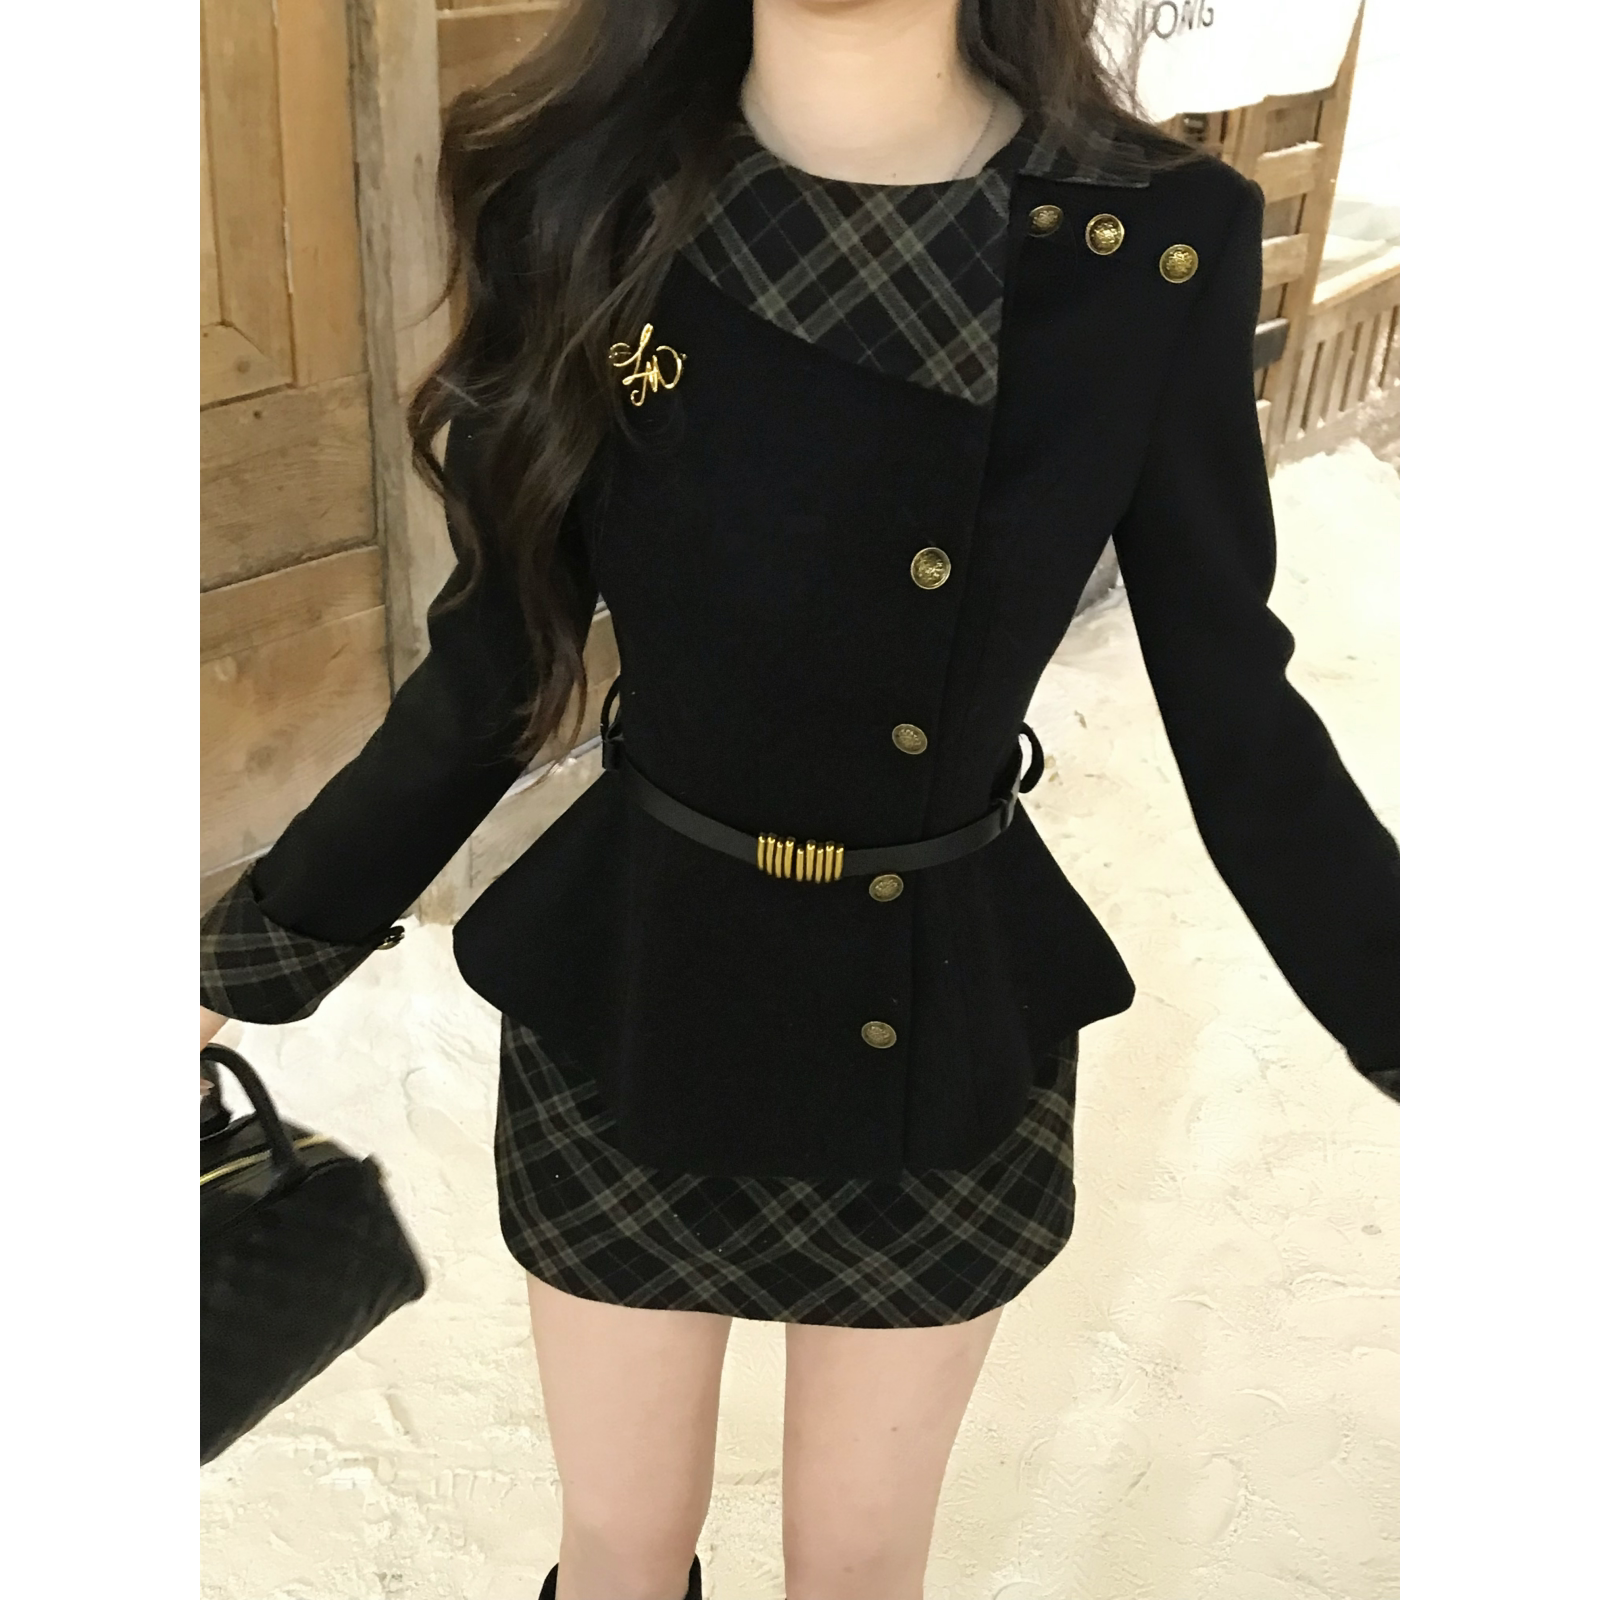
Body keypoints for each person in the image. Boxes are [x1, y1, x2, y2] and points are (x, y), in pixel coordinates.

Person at [199, 1, 1399, 1596]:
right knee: (620, 1550)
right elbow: (496, 668)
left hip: (940, 1015)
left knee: (857, 1566)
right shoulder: (574, 194)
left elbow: (1237, 708)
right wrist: (241, 964)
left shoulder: (1154, 242)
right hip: (635, 991)